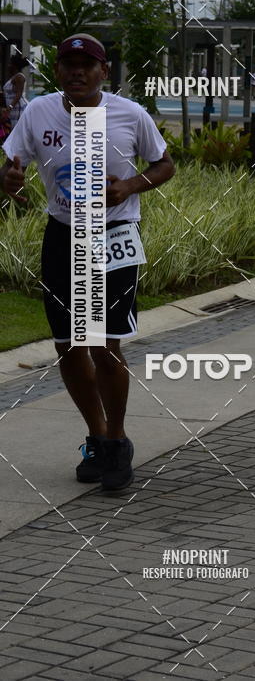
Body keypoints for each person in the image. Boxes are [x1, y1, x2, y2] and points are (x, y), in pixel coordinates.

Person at [0, 33, 175, 492]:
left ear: (104, 72)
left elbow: (164, 165)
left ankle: (117, 442)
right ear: (57, 70)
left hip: (112, 236)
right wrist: (10, 176)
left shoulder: (130, 114)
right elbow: (11, 162)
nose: (77, 71)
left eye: (87, 64)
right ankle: (97, 435)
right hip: (61, 234)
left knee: (103, 344)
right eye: (68, 64)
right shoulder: (39, 112)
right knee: (68, 345)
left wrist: (130, 187)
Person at [4, 53, 28, 129]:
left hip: (18, 110)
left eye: (10, 63)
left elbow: (19, 93)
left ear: (15, 66)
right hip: (13, 110)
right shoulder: (13, 77)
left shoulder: (19, 76)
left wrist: (10, 107)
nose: (8, 65)